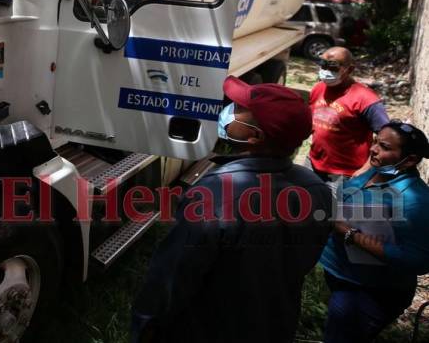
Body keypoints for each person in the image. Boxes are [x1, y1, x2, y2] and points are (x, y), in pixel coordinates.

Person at [131, 76, 332, 343]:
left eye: (236, 109)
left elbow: (173, 277)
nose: (227, 110)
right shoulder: (316, 190)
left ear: (254, 137)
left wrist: (146, 326)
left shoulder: (214, 197)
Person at [320, 120, 429, 343]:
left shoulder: (414, 200)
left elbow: (418, 260)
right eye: (375, 142)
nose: (373, 149)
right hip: (343, 277)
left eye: (385, 147)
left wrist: (350, 234)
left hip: (370, 293)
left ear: (410, 160)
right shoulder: (375, 170)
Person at [308, 47, 389, 182]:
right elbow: (312, 122)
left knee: (332, 204)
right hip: (312, 164)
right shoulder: (318, 88)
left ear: (349, 70)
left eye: (333, 67)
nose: (325, 71)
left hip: (345, 175)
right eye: (323, 65)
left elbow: (387, 139)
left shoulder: (366, 99)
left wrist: (366, 168)